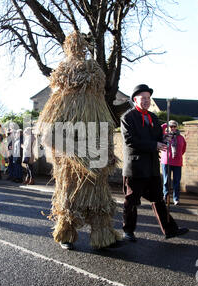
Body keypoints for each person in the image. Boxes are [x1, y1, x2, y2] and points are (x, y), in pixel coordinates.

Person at [38, 32, 121, 250]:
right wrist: (76, 153)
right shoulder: (62, 101)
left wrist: (108, 154)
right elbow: (49, 135)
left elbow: (106, 131)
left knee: (98, 196)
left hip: (94, 159)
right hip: (71, 164)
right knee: (69, 195)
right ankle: (66, 234)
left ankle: (103, 235)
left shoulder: (97, 102)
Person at [120, 84, 189, 242]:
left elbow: (158, 137)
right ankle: (128, 231)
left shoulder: (153, 117)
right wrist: (154, 145)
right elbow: (130, 141)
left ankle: (169, 230)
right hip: (135, 168)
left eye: (148, 98)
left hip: (151, 167)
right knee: (131, 201)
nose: (146, 101)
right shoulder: (127, 117)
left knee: (158, 199)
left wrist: (165, 139)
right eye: (143, 98)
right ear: (135, 100)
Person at [161, 120, 187, 206]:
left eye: (174, 126)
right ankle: (165, 196)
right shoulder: (165, 136)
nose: (172, 128)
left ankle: (176, 198)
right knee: (166, 181)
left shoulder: (181, 138)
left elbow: (183, 149)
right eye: (171, 126)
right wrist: (165, 125)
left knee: (176, 181)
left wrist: (177, 155)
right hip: (166, 161)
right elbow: (160, 131)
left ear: (177, 127)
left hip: (177, 162)